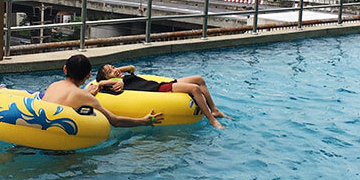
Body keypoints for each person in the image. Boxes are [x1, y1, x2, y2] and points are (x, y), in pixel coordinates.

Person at [94, 64, 230, 129]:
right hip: (158, 89)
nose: (114, 70)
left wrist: (117, 70)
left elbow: (132, 68)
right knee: (195, 88)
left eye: (112, 67)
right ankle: (211, 120)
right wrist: (112, 80)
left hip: (159, 84)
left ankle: (214, 109)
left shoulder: (122, 75)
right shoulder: (117, 82)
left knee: (199, 79)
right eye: (109, 71)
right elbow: (100, 83)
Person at [42, 54, 163, 127]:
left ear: (65, 69)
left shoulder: (53, 86)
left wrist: (86, 94)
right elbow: (115, 121)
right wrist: (143, 121)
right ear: (89, 75)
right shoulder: (85, 97)